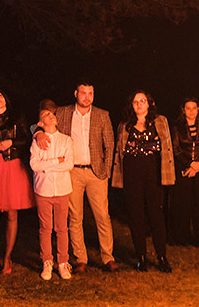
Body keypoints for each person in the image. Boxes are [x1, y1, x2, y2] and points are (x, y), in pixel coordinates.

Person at [46, 83, 116, 272]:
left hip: (96, 172)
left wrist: (106, 170)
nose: (87, 96)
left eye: (90, 93)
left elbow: (110, 144)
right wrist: (38, 133)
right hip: (72, 171)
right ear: (76, 93)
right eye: (83, 93)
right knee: (75, 216)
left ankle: (108, 257)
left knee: (102, 215)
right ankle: (81, 259)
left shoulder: (102, 115)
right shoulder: (63, 112)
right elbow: (42, 122)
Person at [111, 91, 175, 272]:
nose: (139, 104)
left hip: (153, 172)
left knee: (156, 215)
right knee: (136, 215)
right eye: (135, 102)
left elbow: (167, 148)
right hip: (132, 174)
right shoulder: (124, 125)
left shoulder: (160, 121)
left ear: (149, 103)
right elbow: (120, 151)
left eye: (142, 100)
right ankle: (141, 257)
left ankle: (162, 257)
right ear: (131, 105)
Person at [0, 89, 33, 275]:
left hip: (12, 166)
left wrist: (12, 143)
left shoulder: (17, 117)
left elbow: (27, 140)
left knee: (11, 213)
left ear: (5, 99)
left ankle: (8, 257)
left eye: (0, 96)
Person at [28, 100, 74, 281]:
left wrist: (46, 165)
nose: (51, 116)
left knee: (62, 228)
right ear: (40, 122)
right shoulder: (37, 141)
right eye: (46, 115)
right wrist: (56, 161)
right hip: (43, 190)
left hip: (62, 189)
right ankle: (47, 261)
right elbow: (34, 165)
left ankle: (63, 261)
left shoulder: (66, 140)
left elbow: (69, 164)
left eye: (52, 114)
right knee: (45, 228)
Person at [170, 97, 199, 250]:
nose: (191, 111)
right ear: (183, 110)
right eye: (188, 108)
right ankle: (180, 237)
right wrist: (189, 164)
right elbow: (175, 148)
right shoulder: (177, 127)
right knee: (182, 204)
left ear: (198, 110)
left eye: (194, 108)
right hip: (184, 169)